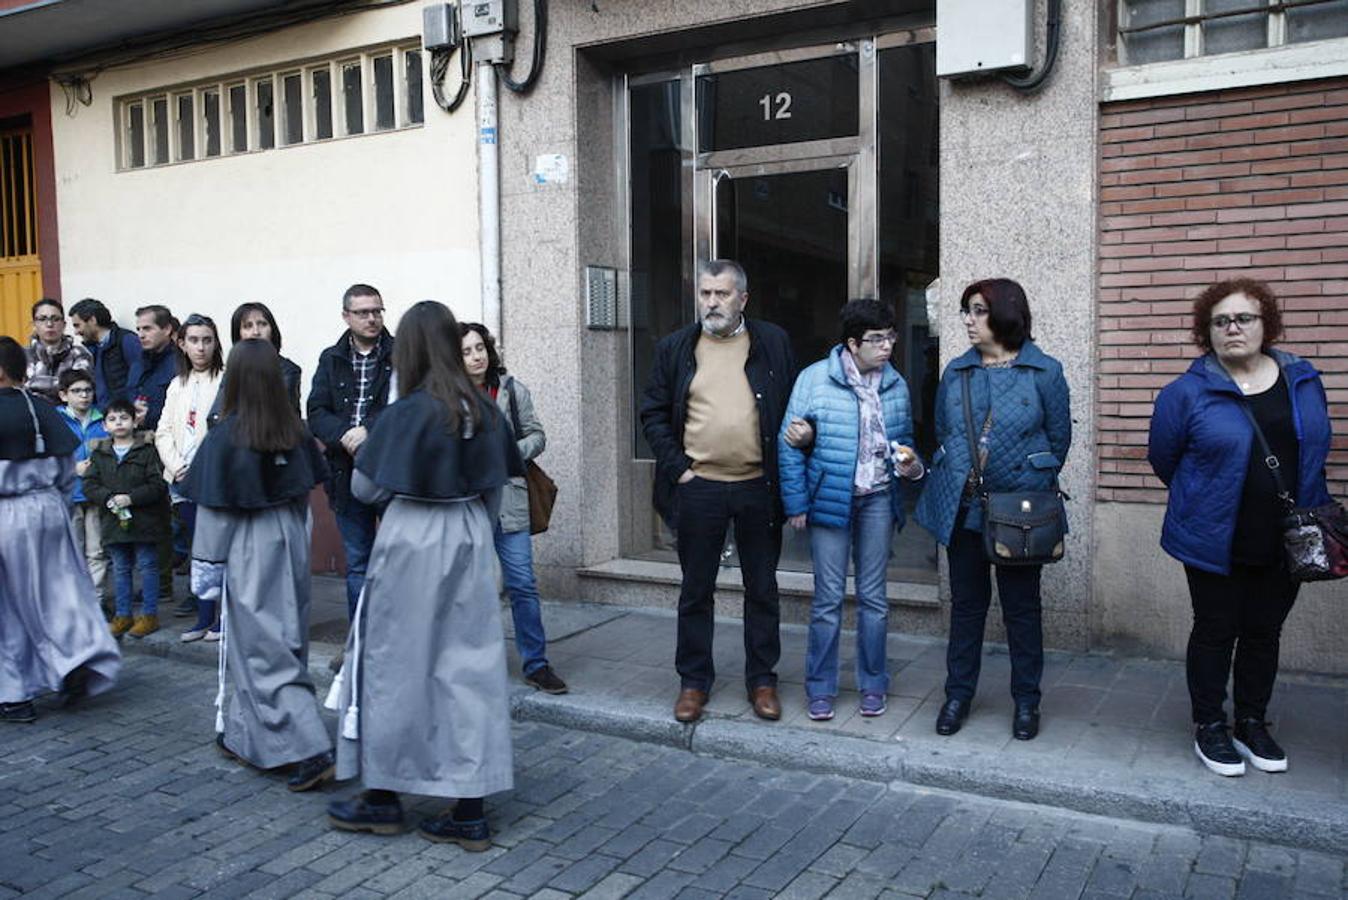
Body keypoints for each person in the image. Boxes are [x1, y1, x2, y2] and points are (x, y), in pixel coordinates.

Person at [327, 301, 523, 847]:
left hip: (409, 537)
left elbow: (367, 489)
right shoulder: (484, 412)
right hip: (467, 535)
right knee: (468, 670)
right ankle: (469, 809)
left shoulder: (404, 413)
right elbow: (493, 490)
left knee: (396, 666)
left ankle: (384, 798)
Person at [1148, 278, 1332, 778]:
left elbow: (1315, 449)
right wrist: (1206, 497)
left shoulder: (1302, 379)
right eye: (1220, 321)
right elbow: (1164, 459)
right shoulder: (1185, 393)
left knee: (1264, 631)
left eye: (1243, 318)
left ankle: (1251, 721)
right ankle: (1209, 724)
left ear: (1264, 323)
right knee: (1214, 630)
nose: (1232, 328)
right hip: (1214, 536)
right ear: (1206, 331)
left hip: (1288, 536)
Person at [639, 259, 796, 724]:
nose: (711, 303)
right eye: (706, 294)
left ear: (742, 299)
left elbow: (790, 404)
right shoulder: (676, 348)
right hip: (699, 487)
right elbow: (651, 413)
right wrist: (680, 469)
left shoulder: (773, 342)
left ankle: (762, 680)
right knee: (695, 590)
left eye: (721, 294)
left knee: (763, 589)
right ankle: (693, 683)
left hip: (757, 487)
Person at [913, 279, 1071, 741]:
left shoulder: (1045, 372)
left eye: (978, 310)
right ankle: (957, 695)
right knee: (966, 608)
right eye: (966, 310)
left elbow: (1058, 440)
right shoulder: (956, 373)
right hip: (966, 510)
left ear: (1004, 313)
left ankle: (1027, 702)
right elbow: (945, 430)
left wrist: (1027, 479)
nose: (967, 319)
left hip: (1020, 513)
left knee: (1022, 610)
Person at [184, 339, 334, 791]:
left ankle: (309, 749)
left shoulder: (226, 435)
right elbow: (304, 494)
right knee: (284, 642)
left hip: (250, 545)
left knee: (262, 650)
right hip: (290, 538)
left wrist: (206, 574)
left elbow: (214, 514)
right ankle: (248, 737)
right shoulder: (295, 430)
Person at [778, 299, 925, 722]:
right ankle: (820, 687)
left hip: (878, 498)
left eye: (890, 337)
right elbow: (788, 443)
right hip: (830, 500)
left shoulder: (895, 384)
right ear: (852, 343)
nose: (886, 347)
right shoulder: (814, 380)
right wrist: (796, 503)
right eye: (876, 339)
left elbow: (909, 444)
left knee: (874, 598)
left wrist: (911, 466)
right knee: (827, 599)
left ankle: (874, 684)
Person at [0, 337, 121, 723]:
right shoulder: (44, 409)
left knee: (8, 608)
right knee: (61, 596)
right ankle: (76, 665)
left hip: (6, 513)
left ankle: (14, 693)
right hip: (51, 509)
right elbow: (68, 472)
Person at [460, 322, 568, 694]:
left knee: (522, 584)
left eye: (480, 348)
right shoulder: (447, 396)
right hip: (468, 506)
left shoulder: (510, 389)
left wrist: (508, 454)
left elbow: (537, 435)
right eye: (466, 351)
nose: (476, 357)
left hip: (509, 501)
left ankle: (536, 664)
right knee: (473, 588)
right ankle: (475, 661)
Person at [308, 284, 395, 620]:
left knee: (397, 559)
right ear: (346, 316)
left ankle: (395, 636)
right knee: (358, 561)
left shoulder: (400, 354)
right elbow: (316, 410)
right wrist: (343, 435)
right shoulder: (331, 358)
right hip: (344, 472)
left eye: (377, 311)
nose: (371, 319)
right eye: (362, 312)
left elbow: (404, 406)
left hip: (390, 472)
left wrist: (369, 431)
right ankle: (360, 641)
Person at [156, 314, 226, 634]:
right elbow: (164, 431)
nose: (201, 347)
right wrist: (175, 466)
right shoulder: (177, 385)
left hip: (213, 479)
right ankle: (203, 616)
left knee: (217, 549)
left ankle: (222, 618)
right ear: (182, 344)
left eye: (207, 340)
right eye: (194, 340)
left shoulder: (226, 380)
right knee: (198, 550)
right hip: (182, 480)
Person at [83, 398, 170, 638]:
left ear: (134, 421)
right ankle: (123, 615)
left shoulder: (146, 451)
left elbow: (157, 485)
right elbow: (90, 484)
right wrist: (108, 497)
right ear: (105, 426)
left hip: (144, 520)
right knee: (120, 568)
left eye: (124, 418)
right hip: (113, 521)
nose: (118, 423)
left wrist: (131, 498)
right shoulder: (100, 453)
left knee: (147, 566)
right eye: (112, 419)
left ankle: (149, 615)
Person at [57, 369, 110, 608]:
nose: (84, 396)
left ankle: (95, 601)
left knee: (96, 551)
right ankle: (76, 602)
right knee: (73, 551)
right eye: (76, 391)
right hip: (70, 493)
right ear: (63, 395)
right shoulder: (56, 421)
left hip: (97, 494)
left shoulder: (104, 420)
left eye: (88, 390)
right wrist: (71, 468)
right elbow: (49, 458)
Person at [69, 298, 141, 409]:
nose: (76, 332)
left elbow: (139, 378)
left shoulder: (126, 340)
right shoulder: (91, 349)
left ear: (92, 320)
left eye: (77, 325)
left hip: (124, 417)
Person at [24, 299, 92, 405]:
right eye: (42, 319)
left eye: (55, 319)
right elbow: (17, 390)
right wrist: (63, 384)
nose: (50, 324)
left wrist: (32, 383)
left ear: (64, 325)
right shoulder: (22, 355)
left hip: (68, 417)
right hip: (31, 415)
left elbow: (78, 388)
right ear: (34, 325)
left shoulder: (79, 353)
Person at [130, 304, 178, 432]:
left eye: (147, 329)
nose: (141, 335)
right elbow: (128, 394)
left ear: (167, 329)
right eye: (138, 329)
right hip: (137, 438)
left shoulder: (181, 364)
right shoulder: (137, 363)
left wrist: (149, 414)